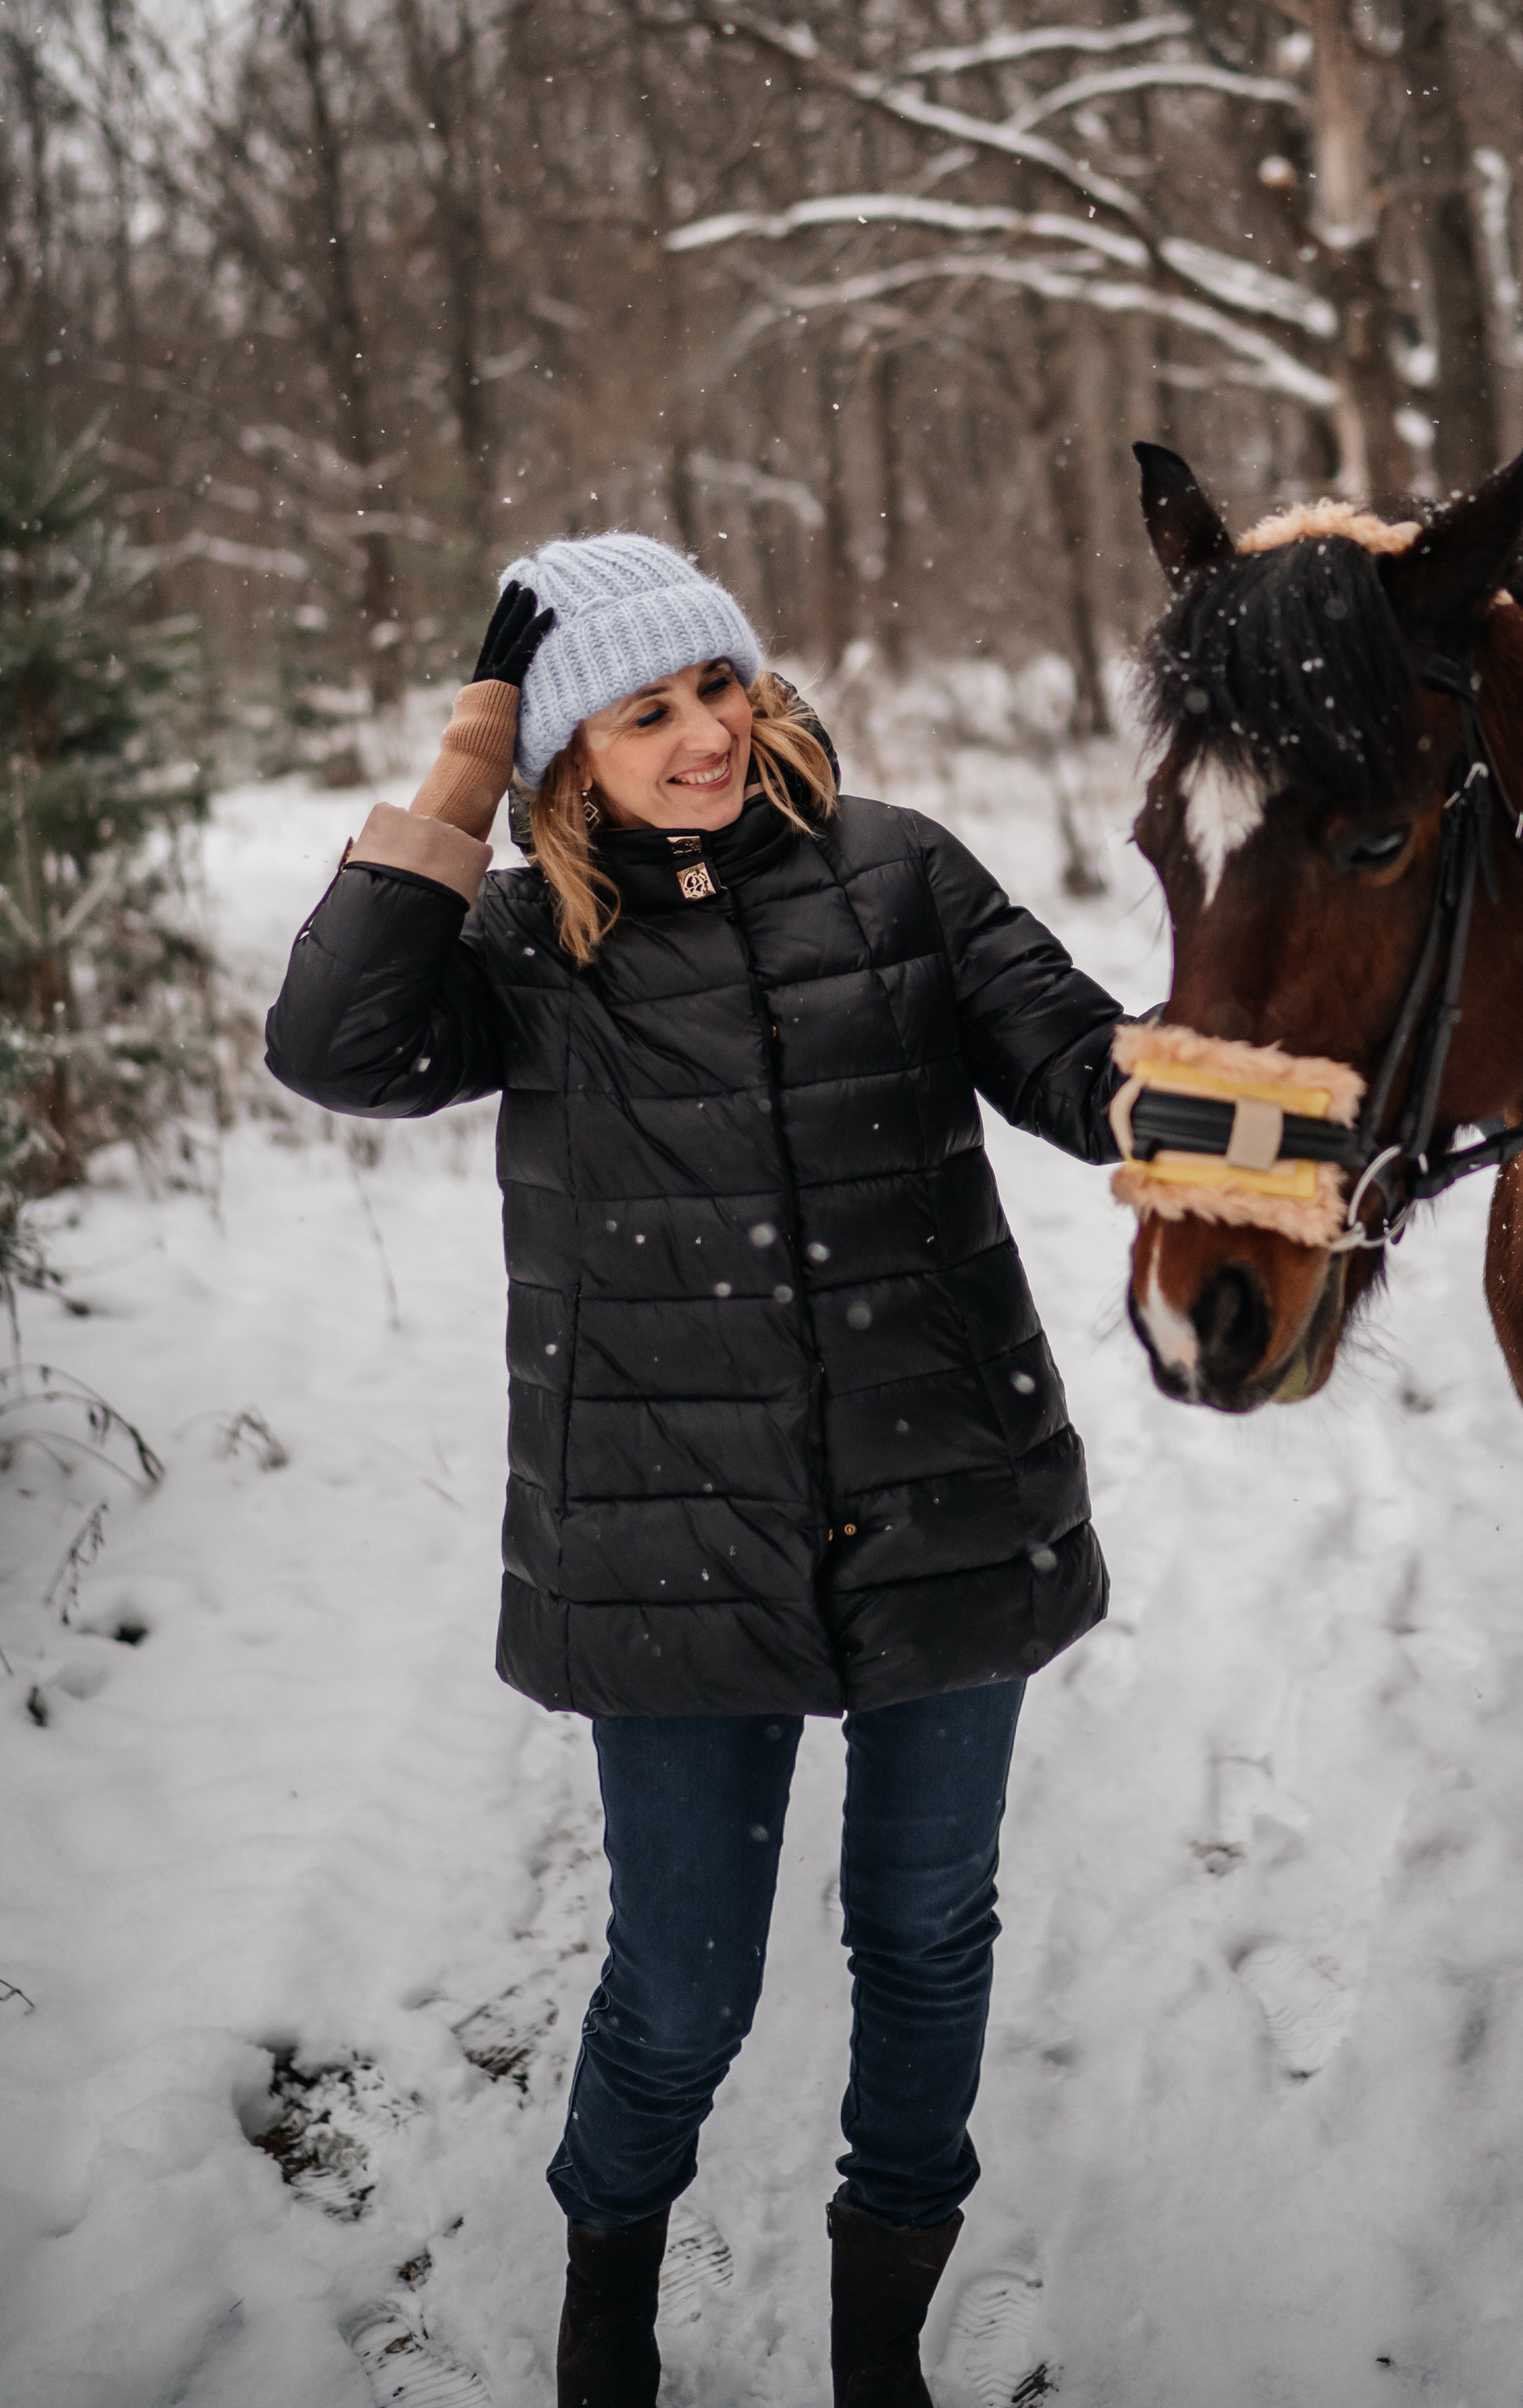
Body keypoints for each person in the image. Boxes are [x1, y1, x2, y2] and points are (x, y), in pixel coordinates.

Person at [265, 534, 1124, 2408]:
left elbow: (1074, 1057)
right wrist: (459, 776)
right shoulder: (514, 938)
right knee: (682, 1987)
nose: (705, 737)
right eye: (644, 711)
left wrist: (1188, 1101)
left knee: (923, 1934)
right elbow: (330, 1045)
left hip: (938, 1492)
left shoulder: (894, 866)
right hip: (663, 1543)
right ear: (567, 751)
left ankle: (877, 2337)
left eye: (719, 688)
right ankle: (605, 2318)